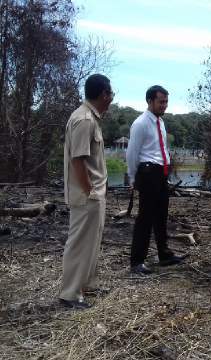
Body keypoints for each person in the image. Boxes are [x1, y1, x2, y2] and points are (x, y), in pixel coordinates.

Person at [60, 74, 113, 309]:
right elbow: (77, 160)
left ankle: (82, 285)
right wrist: (90, 191)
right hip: (86, 196)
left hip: (93, 195)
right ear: (103, 94)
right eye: (110, 94)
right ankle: (70, 294)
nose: (111, 99)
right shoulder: (84, 120)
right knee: (80, 243)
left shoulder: (90, 118)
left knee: (91, 242)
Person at [126, 85, 186, 275]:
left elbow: (161, 148)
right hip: (148, 171)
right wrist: (132, 177)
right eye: (161, 101)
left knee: (161, 215)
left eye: (166, 101)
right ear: (150, 101)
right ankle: (137, 261)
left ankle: (164, 254)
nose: (164, 105)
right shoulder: (140, 123)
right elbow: (132, 152)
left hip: (161, 172)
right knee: (145, 217)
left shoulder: (160, 122)